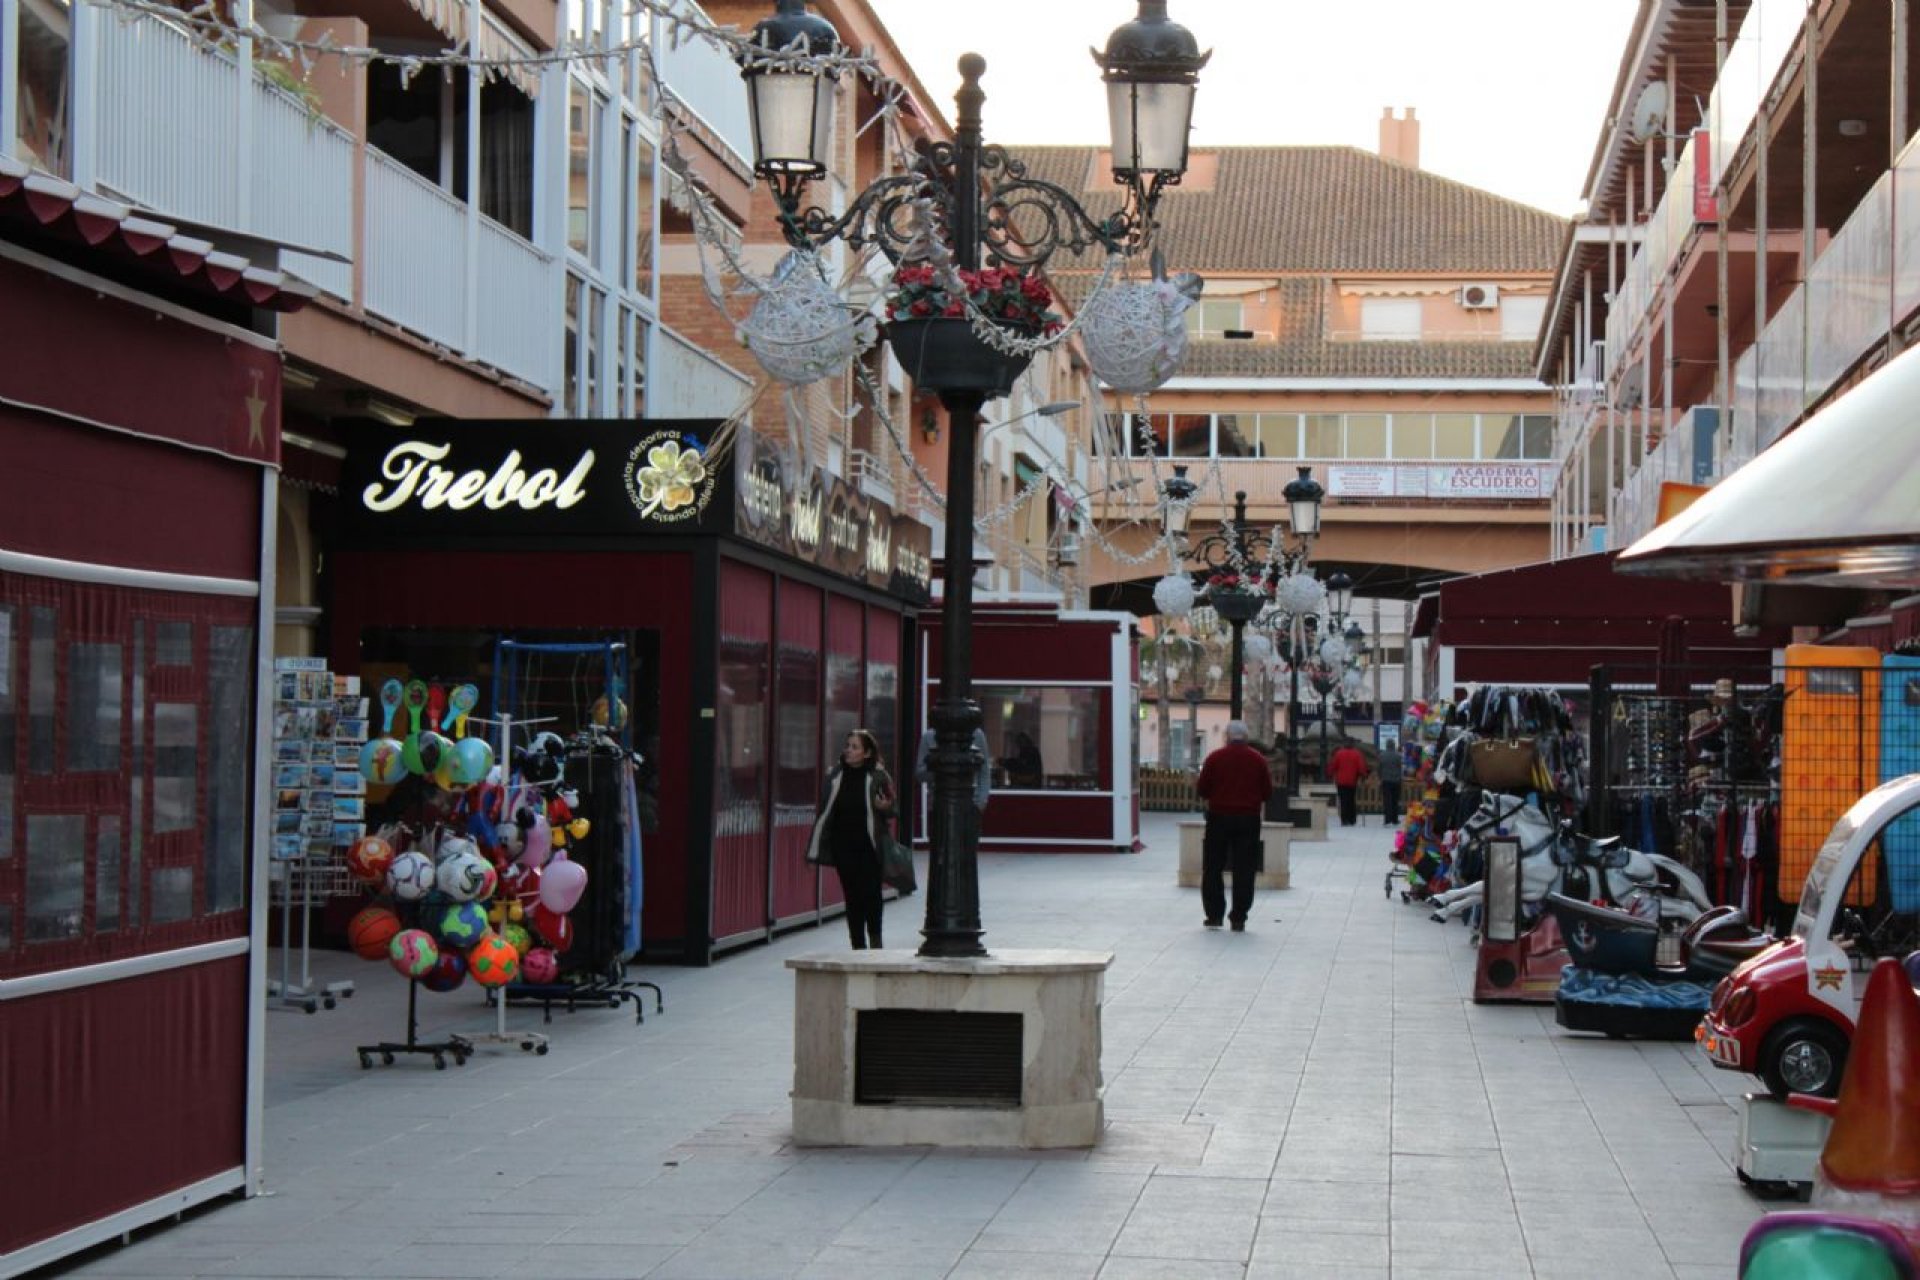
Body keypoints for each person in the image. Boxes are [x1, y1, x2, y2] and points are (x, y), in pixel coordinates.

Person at [806, 728, 896, 949]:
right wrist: (816, 845)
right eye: (847, 746)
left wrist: (885, 807)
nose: (848, 750)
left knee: (872, 894)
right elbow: (825, 810)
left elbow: (893, 808)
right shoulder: (835, 775)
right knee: (852, 895)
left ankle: (875, 940)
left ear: (866, 753)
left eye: (854, 747)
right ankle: (857, 944)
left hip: (870, 846)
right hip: (843, 845)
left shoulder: (878, 775)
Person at [1194, 719, 1274, 932]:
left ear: (1226, 737)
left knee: (1213, 867)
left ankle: (1214, 914)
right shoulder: (1258, 760)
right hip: (1248, 819)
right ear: (1246, 737)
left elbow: (1202, 789)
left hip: (1219, 817)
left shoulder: (1214, 758)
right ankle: (1239, 916)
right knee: (1245, 868)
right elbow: (1267, 792)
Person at [1328, 739, 1369, 827]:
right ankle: (1352, 819)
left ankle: (1344, 819)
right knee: (1351, 800)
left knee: (1343, 800)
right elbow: (1361, 767)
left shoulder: (1339, 753)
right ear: (1353, 744)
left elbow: (1333, 765)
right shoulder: (1357, 754)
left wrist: (1330, 774)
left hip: (1341, 781)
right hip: (1352, 781)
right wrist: (1363, 776)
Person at [1376, 745, 1403, 826]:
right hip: (1396, 781)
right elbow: (1400, 768)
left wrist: (1380, 777)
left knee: (1387, 801)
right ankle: (1395, 819)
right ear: (1393, 746)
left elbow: (1379, 768)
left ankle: (1387, 820)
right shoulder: (1398, 756)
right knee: (1395, 800)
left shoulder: (1382, 755)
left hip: (1386, 781)